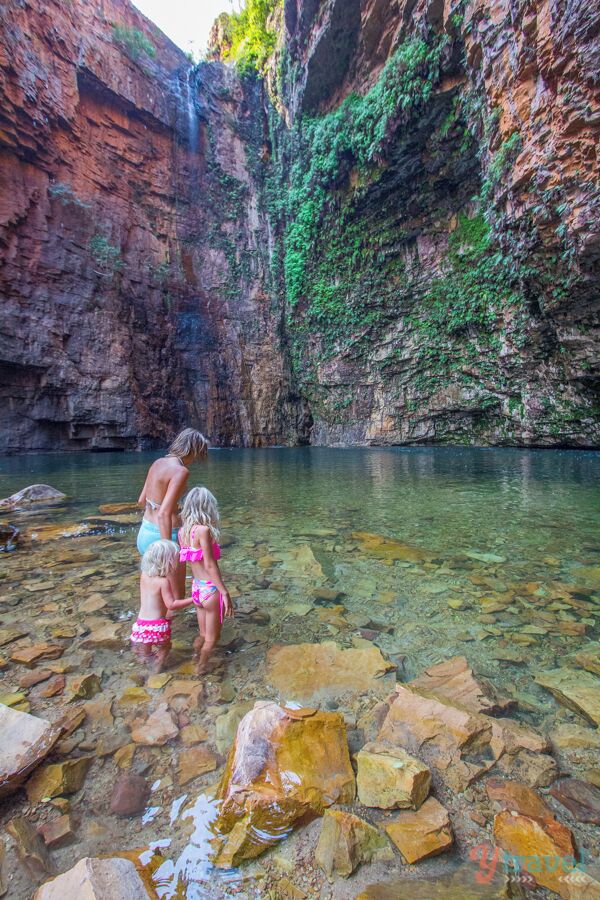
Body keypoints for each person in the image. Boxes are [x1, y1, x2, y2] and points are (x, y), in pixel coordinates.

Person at [137, 428, 208, 597]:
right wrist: (167, 547)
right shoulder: (181, 471)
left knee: (154, 594)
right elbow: (164, 513)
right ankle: (171, 623)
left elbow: (141, 501)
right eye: (197, 454)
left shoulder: (157, 463)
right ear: (192, 449)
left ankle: (150, 622)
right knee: (176, 596)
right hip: (164, 537)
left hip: (145, 533)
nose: (195, 460)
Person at [179, 486, 234, 673]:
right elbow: (210, 565)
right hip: (210, 590)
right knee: (212, 638)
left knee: (202, 634)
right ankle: (201, 667)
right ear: (207, 507)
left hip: (196, 588)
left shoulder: (183, 533)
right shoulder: (203, 531)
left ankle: (194, 658)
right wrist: (224, 592)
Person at [131, 540, 193, 672]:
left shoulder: (144, 575)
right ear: (167, 562)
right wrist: (193, 599)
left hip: (141, 625)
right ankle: (157, 669)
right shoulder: (163, 582)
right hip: (157, 625)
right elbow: (172, 604)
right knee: (165, 647)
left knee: (145, 648)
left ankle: (143, 661)